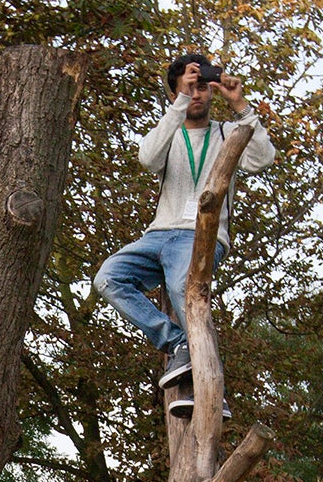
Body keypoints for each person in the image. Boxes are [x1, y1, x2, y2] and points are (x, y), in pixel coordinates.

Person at [93, 52, 275, 419]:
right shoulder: (170, 134)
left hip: (201, 235)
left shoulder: (227, 132)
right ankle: (179, 345)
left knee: (184, 288)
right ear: (176, 94)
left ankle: (209, 389)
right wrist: (178, 101)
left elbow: (262, 159)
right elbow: (147, 157)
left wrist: (240, 104)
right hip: (158, 235)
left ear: (212, 90)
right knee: (108, 277)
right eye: (187, 88)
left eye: (202, 87)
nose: (196, 95)